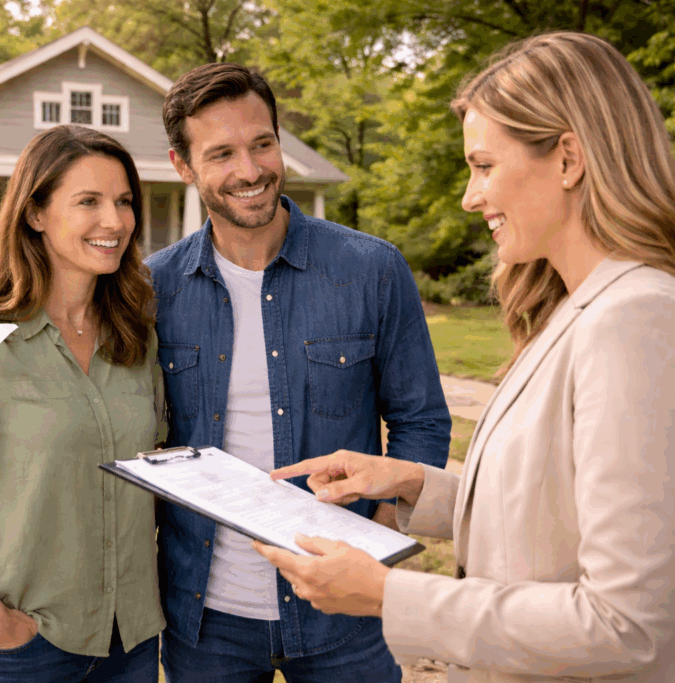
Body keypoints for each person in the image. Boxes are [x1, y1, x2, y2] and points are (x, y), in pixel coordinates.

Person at [253, 31, 675, 683]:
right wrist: (411, 484)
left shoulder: (642, 320)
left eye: (484, 165)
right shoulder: (579, 309)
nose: (469, 197)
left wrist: (387, 594)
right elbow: (553, 514)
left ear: (568, 158)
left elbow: (626, 623)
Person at [145, 63, 451, 683]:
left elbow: (419, 419)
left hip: (347, 618)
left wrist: (379, 541)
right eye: (222, 153)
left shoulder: (372, 269)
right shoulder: (153, 288)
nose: (250, 170)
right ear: (183, 166)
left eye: (262, 144)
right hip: (205, 619)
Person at [0, 125, 166, 683]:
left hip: (130, 642)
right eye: (88, 202)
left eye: (123, 202)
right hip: (16, 647)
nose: (115, 222)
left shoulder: (137, 335)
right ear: (35, 214)